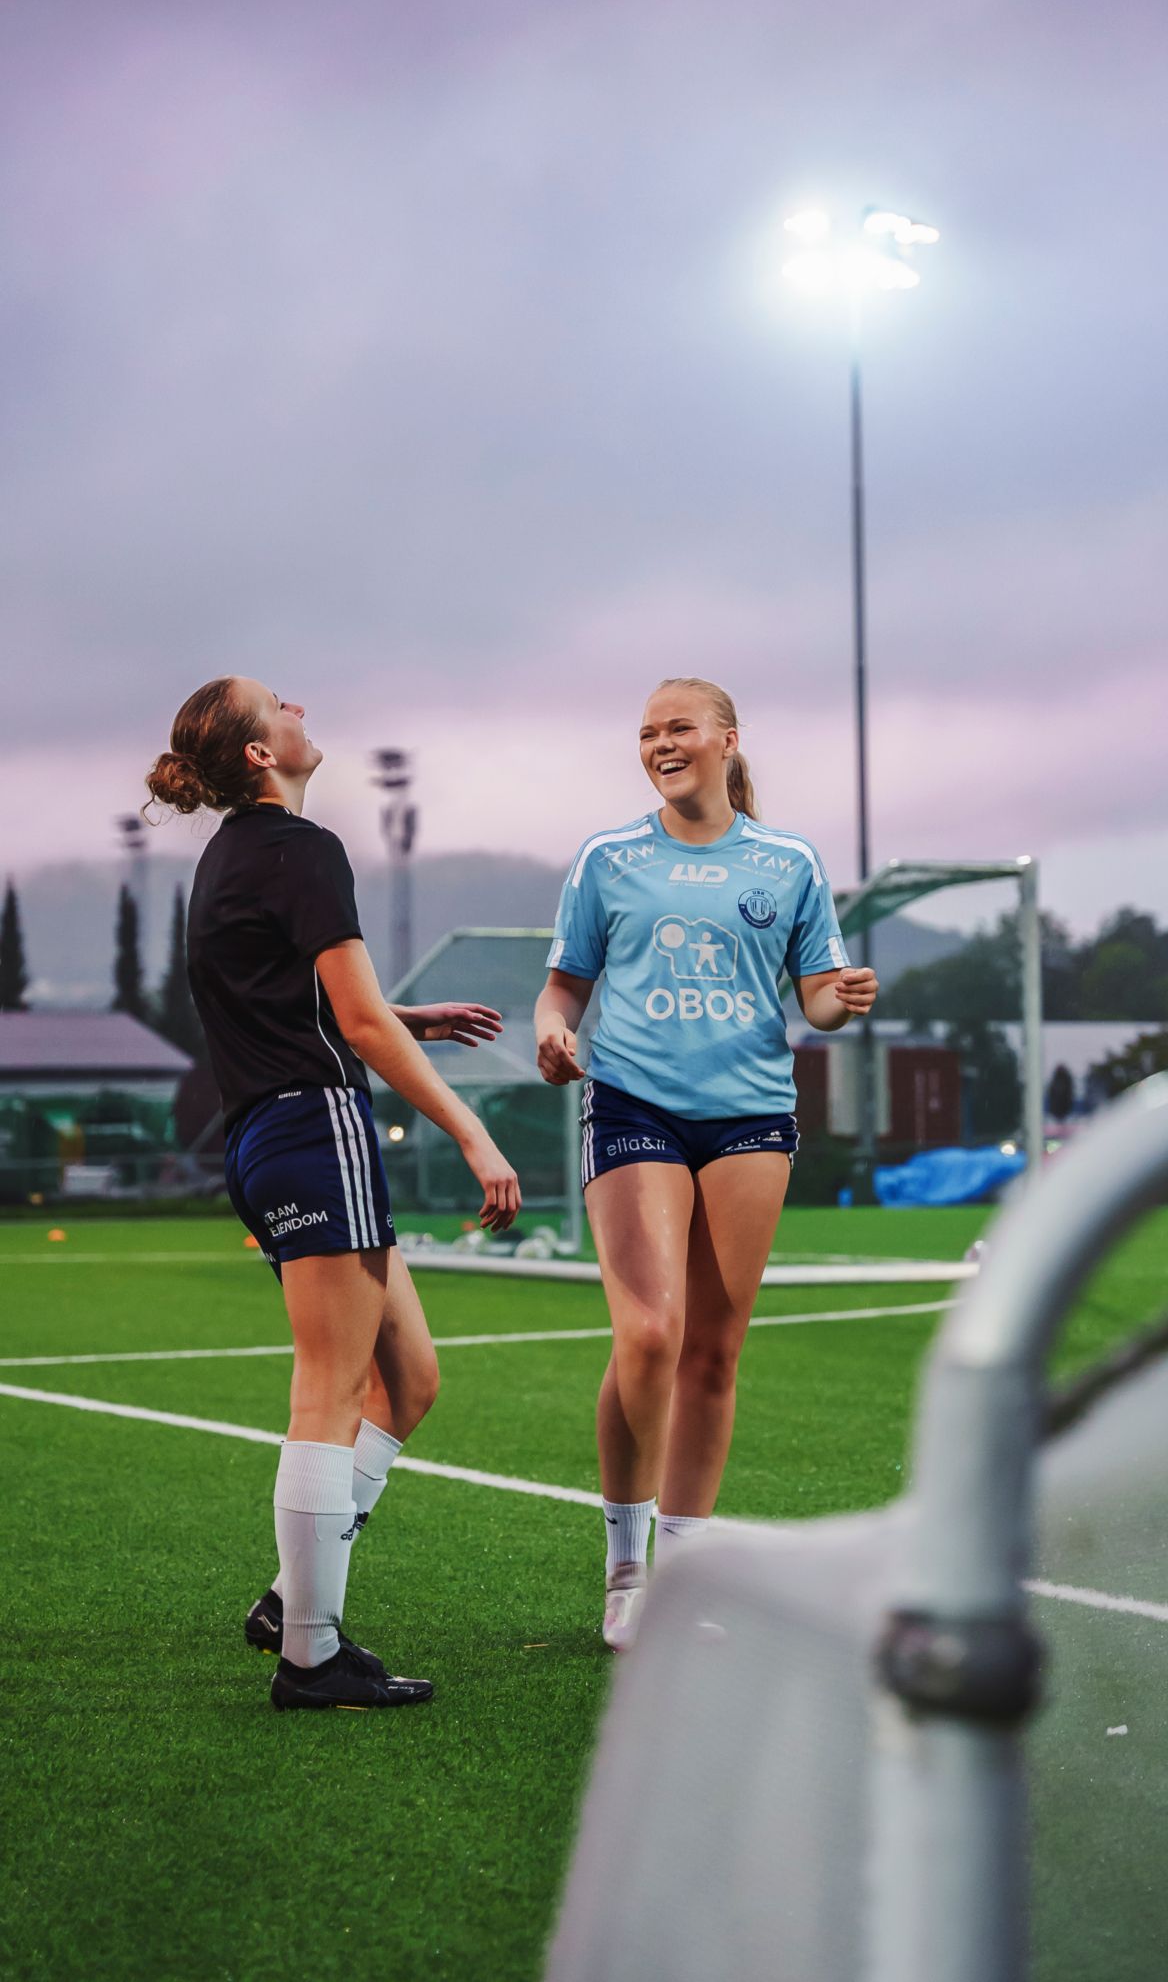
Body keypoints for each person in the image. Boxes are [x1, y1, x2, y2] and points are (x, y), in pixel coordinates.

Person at [144, 677, 520, 1710]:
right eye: (277, 702)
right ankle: (309, 1655)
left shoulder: (232, 857)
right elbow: (350, 1027)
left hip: (270, 1138)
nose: (297, 705)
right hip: (315, 1129)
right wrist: (471, 1127)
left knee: (410, 1382)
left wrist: (407, 1016)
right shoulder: (304, 850)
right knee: (331, 1391)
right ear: (259, 753)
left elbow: (303, 996)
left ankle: (286, 1602)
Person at [534, 677, 877, 1650]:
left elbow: (810, 1000)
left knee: (713, 1353)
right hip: (634, 1103)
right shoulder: (606, 858)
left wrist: (837, 999)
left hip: (750, 1121)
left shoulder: (788, 859)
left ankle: (684, 1577)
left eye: (676, 727)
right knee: (648, 1334)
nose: (658, 743)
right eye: (646, 732)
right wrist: (554, 1035)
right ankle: (626, 1564)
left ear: (726, 739)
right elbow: (559, 991)